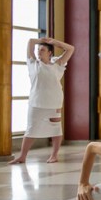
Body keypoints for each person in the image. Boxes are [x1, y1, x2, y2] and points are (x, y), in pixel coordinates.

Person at [9, 36, 75, 164]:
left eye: (42, 50)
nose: (39, 52)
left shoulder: (57, 64)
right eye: (38, 50)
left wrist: (54, 42)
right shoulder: (33, 64)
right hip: (36, 102)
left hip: (54, 102)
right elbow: (30, 42)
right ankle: (22, 156)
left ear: (50, 53)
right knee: (31, 129)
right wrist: (41, 42)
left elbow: (71, 49)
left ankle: (54, 155)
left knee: (56, 128)